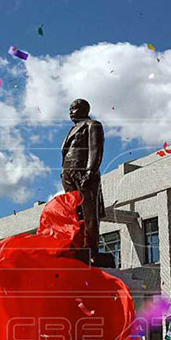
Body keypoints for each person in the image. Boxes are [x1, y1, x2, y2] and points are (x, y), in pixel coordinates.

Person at [60, 98, 106, 262]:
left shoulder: (92, 125)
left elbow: (96, 149)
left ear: (84, 109)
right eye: (70, 109)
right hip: (68, 173)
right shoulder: (72, 130)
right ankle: (78, 245)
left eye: (74, 108)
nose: (71, 112)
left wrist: (90, 171)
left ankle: (91, 250)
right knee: (74, 213)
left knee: (89, 212)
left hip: (83, 172)